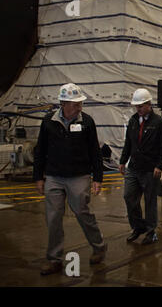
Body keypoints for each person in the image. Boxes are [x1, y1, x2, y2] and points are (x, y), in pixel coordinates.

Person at [33, 83, 107, 275]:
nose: (79, 107)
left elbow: (94, 152)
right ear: (63, 103)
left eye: (80, 103)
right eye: (75, 104)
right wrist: (38, 177)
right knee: (53, 217)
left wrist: (98, 178)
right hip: (53, 176)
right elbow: (40, 150)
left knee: (82, 212)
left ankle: (99, 246)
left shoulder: (87, 122)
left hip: (79, 176)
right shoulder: (49, 121)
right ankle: (54, 258)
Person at [119, 88, 162, 245]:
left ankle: (150, 231)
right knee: (129, 197)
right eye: (136, 106)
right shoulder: (133, 120)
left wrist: (159, 165)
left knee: (150, 201)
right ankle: (138, 227)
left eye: (141, 106)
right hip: (133, 167)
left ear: (149, 104)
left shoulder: (160, 123)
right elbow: (128, 143)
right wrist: (123, 161)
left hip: (150, 169)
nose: (138, 109)